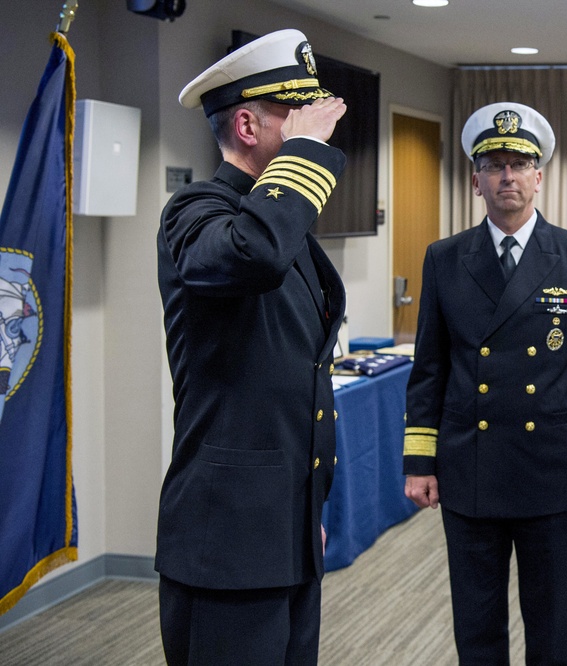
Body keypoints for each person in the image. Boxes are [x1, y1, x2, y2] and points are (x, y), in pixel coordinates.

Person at [403, 102, 567, 665]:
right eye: (494, 164)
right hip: (469, 466)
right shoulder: (445, 259)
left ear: (539, 176)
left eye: (520, 163)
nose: (508, 175)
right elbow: (429, 368)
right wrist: (419, 461)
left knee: (552, 624)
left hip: (552, 470)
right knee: (476, 623)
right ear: (475, 180)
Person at [155, 29, 348, 665]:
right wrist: (304, 156)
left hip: (285, 534)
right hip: (225, 545)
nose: (320, 134)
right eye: (298, 118)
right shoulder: (195, 214)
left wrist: (302, 515)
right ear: (246, 124)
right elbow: (253, 254)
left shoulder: (286, 225)